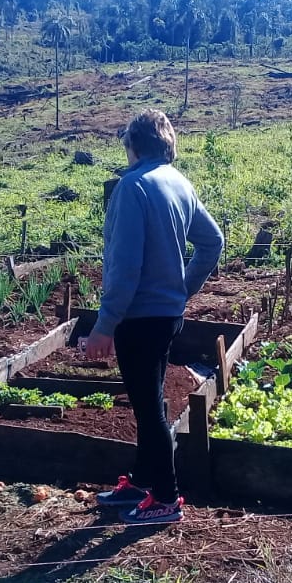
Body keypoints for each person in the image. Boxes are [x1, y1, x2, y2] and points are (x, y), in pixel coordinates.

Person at [84, 109, 224, 524]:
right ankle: (144, 482)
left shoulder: (133, 187)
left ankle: (166, 499)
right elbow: (212, 242)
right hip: (166, 315)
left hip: (139, 317)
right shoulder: (179, 183)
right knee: (149, 399)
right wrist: (182, 288)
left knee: (148, 408)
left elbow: (124, 265)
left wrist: (104, 324)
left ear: (133, 145)